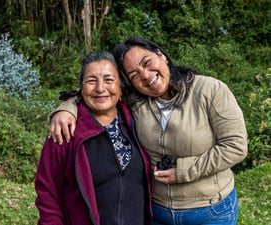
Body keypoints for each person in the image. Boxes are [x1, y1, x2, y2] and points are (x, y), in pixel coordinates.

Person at [48, 37, 248, 225]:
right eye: (134, 75)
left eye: (146, 62)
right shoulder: (135, 103)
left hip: (209, 210)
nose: (145, 75)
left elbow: (235, 147)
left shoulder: (210, 90)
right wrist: (67, 108)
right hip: (157, 212)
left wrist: (184, 171)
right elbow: (100, 92)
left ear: (161, 55)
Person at [35, 51, 152, 225]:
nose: (100, 88)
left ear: (120, 86)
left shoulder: (136, 120)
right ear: (81, 88)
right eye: (91, 81)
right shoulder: (65, 131)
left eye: (108, 80)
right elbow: (48, 192)